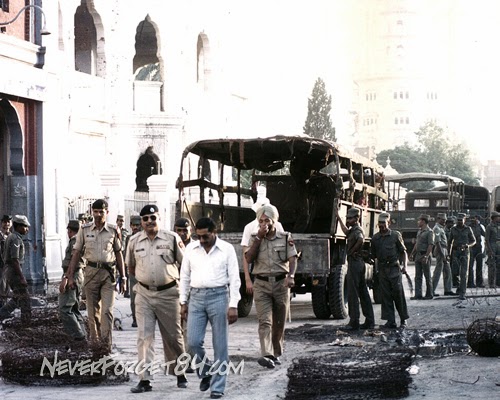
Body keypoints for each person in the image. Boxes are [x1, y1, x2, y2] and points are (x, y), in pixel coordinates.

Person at [126, 204, 188, 393]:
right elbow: (131, 268)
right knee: (144, 337)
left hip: (169, 294)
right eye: (145, 219)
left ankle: (180, 373)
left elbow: (185, 265)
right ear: (141, 222)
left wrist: (185, 295)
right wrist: (143, 283)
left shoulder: (172, 238)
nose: (149, 222)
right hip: (144, 294)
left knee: (173, 337)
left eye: (153, 218)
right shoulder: (134, 241)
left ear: (159, 219)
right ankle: (144, 379)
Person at [180, 217, 240, 400]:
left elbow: (234, 278)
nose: (202, 240)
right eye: (199, 237)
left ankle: (218, 387)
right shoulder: (191, 249)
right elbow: (184, 277)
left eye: (205, 236)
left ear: (215, 233)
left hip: (219, 297)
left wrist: (233, 305)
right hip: (196, 298)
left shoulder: (227, 250)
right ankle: (206, 372)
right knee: (192, 342)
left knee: (220, 346)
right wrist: (183, 302)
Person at [67, 199, 127, 349]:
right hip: (91, 274)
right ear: (92, 212)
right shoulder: (85, 230)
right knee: (93, 314)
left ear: (107, 213)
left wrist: (123, 277)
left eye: (101, 212)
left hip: (108, 275)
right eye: (96, 211)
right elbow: (76, 253)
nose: (98, 215)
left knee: (107, 311)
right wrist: (69, 277)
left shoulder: (113, 231)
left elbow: (119, 254)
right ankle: (96, 346)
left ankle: (106, 346)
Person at [245, 204, 297, 369]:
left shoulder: (285, 237)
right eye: (261, 221)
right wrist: (259, 238)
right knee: (265, 321)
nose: (264, 224)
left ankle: (276, 352)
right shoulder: (255, 238)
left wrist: (291, 276)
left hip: (281, 284)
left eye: (267, 220)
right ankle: (266, 354)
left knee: (279, 322)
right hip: (261, 284)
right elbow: (248, 259)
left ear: (274, 221)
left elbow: (293, 258)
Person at [335, 207, 375, 330]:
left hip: (355, 263)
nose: (348, 220)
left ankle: (354, 322)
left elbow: (360, 239)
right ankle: (369, 321)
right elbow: (346, 232)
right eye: (347, 218)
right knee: (363, 292)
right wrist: (338, 217)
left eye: (350, 218)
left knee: (353, 293)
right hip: (357, 263)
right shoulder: (352, 230)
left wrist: (352, 251)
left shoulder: (357, 230)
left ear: (357, 218)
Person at [370, 212, 409, 329]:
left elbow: (403, 252)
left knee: (398, 295)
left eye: (384, 223)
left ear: (389, 223)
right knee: (386, 296)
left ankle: (403, 320)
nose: (381, 225)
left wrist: (405, 266)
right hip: (382, 271)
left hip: (394, 269)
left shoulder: (395, 236)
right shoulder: (375, 238)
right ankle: (390, 321)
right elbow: (373, 255)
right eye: (380, 223)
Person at [240, 198, 284, 298]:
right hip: (260, 274)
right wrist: (247, 279)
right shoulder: (249, 228)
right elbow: (245, 255)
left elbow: (284, 249)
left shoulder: (278, 225)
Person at [0, 215, 31, 323]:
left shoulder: (12, 237)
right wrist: (22, 277)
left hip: (10, 271)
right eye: (25, 226)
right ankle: (26, 323)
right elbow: (14, 260)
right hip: (13, 272)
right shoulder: (15, 239)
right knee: (25, 298)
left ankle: (2, 313)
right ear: (18, 226)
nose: (27, 229)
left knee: (17, 298)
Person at [58, 220, 86, 340]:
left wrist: (66, 278)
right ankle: (83, 335)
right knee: (74, 308)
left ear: (69, 231)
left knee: (65, 309)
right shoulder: (79, 240)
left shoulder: (75, 241)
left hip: (73, 275)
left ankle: (78, 336)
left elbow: (72, 262)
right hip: (77, 275)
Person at [447, 213, 475, 300]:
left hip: (465, 252)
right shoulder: (453, 229)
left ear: (464, 220)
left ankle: (462, 293)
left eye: (461, 220)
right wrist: (448, 254)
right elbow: (449, 242)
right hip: (455, 252)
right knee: (455, 272)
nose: (459, 222)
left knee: (463, 273)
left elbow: (474, 241)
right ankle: (459, 288)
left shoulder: (468, 229)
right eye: (458, 220)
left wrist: (467, 245)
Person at [409, 214, 435, 300]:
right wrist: (412, 253)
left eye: (419, 220)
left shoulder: (430, 232)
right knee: (418, 276)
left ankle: (429, 294)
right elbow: (417, 244)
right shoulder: (419, 231)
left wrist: (426, 256)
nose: (418, 222)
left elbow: (430, 245)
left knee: (427, 276)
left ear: (423, 221)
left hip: (425, 255)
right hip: (418, 255)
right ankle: (418, 294)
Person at [124, 214, 142, 327]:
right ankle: (135, 319)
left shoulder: (145, 237)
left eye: (137, 225)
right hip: (133, 271)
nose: (135, 227)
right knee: (134, 298)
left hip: (145, 271)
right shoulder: (129, 239)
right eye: (133, 225)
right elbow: (126, 255)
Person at [431, 213, 453, 296]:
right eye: (443, 220)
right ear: (438, 219)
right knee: (438, 271)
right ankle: (431, 290)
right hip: (440, 250)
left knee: (447, 271)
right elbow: (437, 243)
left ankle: (448, 290)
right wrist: (443, 256)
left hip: (444, 249)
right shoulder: (437, 228)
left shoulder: (441, 228)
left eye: (445, 220)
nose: (444, 221)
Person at [468, 215, 486, 288]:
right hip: (471, 247)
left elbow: (485, 234)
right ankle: (470, 282)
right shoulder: (468, 227)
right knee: (470, 266)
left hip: (478, 247)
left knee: (479, 266)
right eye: (472, 219)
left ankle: (479, 282)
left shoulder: (479, 226)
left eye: (475, 219)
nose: (474, 220)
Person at [485, 211, 500, 289]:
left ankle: (498, 282)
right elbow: (487, 239)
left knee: (498, 265)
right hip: (492, 245)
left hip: (499, 246)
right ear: (494, 218)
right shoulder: (489, 226)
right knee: (492, 266)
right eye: (498, 217)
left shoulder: (498, 226)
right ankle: (491, 283)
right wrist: (489, 250)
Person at [0, 214, 12, 307]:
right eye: (4, 222)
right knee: (2, 285)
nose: (6, 224)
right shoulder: (0, 236)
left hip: (10, 265)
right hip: (1, 264)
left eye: (8, 222)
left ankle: (5, 306)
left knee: (7, 285)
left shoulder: (12, 236)